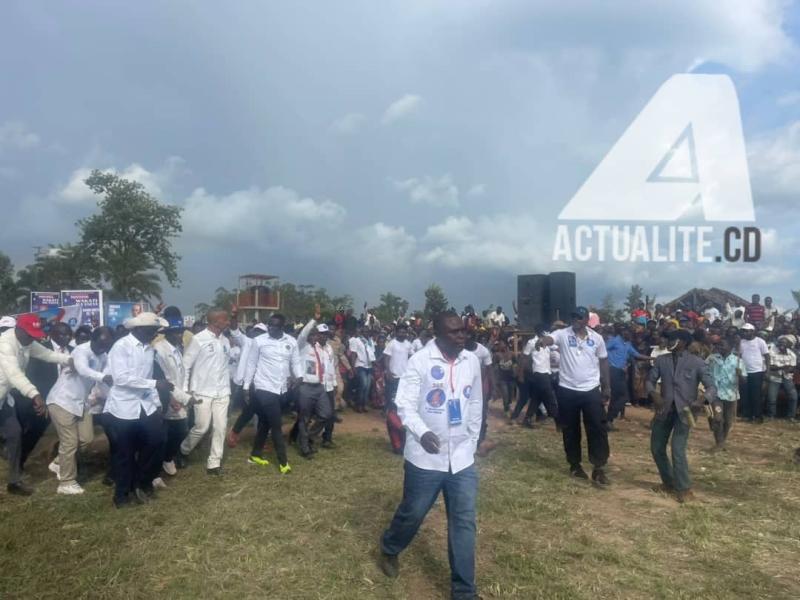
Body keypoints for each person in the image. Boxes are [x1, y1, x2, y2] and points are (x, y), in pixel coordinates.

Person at [379, 311, 483, 600]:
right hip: (425, 459)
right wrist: (422, 432)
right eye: (454, 332)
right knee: (413, 512)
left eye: (463, 330)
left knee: (463, 521)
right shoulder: (420, 361)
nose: (462, 336)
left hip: (462, 458)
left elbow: (475, 401)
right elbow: (405, 406)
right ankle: (390, 547)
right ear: (437, 334)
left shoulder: (471, 360)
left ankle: (464, 591)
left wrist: (472, 440)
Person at [104, 312, 172, 508]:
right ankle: (121, 495)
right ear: (140, 329)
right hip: (124, 408)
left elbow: (147, 380)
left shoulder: (148, 349)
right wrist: (154, 384)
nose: (155, 335)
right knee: (124, 452)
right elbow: (121, 379)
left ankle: (141, 481)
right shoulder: (121, 347)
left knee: (157, 441)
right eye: (152, 331)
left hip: (145, 405)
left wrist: (157, 402)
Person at [0, 314, 73, 495]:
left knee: (15, 434)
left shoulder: (27, 342)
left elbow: (47, 354)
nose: (32, 338)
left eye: (34, 334)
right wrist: (35, 394)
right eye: (29, 334)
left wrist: (69, 360)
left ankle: (14, 482)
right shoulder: (5, 344)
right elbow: (14, 374)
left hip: (3, 398)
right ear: (19, 329)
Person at [538, 306, 611, 485]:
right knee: (570, 429)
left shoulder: (597, 338)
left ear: (586, 320)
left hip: (591, 389)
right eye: (574, 317)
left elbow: (603, 361)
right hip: (567, 389)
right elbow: (551, 338)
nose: (576, 320)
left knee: (597, 428)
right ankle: (575, 466)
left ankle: (598, 467)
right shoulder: (563, 334)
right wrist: (544, 341)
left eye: (579, 318)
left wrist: (607, 386)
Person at [647, 330, 717, 503]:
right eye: (668, 337)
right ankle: (669, 482)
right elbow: (650, 380)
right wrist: (654, 395)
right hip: (664, 410)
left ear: (684, 342)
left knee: (678, 449)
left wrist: (702, 400)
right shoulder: (661, 360)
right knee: (656, 448)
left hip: (685, 412)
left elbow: (712, 387)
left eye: (673, 339)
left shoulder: (697, 362)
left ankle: (684, 489)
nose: (668, 340)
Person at [46, 326, 114, 495]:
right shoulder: (80, 351)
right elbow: (84, 371)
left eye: (106, 346)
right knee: (70, 441)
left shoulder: (104, 356)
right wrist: (103, 376)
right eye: (100, 344)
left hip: (81, 403)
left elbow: (105, 381)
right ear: (93, 339)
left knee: (86, 439)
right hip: (62, 401)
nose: (102, 348)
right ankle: (66, 482)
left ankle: (58, 462)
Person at [243, 313, 299, 474]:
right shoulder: (259, 341)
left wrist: (299, 376)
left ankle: (255, 455)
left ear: (282, 327)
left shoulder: (291, 341)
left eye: (275, 325)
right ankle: (283, 462)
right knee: (276, 425)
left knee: (266, 422)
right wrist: (246, 387)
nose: (271, 328)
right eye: (269, 324)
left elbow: (295, 362)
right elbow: (251, 364)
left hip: (282, 389)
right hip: (264, 388)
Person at [179, 309, 232, 475]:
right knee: (202, 427)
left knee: (220, 427)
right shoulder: (198, 339)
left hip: (222, 391)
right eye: (225, 319)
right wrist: (185, 391)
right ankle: (183, 450)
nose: (228, 322)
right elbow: (186, 366)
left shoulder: (225, 340)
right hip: (202, 391)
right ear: (215, 322)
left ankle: (214, 463)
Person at [153, 314, 193, 477]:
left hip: (179, 394)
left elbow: (181, 373)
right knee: (176, 430)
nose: (179, 335)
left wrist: (184, 393)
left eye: (181, 331)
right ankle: (163, 460)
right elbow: (162, 377)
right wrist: (171, 398)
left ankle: (167, 457)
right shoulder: (159, 349)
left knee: (179, 430)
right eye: (175, 332)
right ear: (167, 332)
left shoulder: (178, 348)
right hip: (166, 396)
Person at [294, 308, 334, 458]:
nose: (313, 337)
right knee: (304, 418)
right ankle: (304, 448)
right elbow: (303, 334)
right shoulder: (302, 346)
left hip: (319, 387)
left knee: (326, 414)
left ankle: (307, 437)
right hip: (305, 387)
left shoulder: (319, 348)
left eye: (315, 335)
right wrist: (314, 320)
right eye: (312, 334)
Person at [605, 326, 652, 430]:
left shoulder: (628, 344)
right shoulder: (614, 341)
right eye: (628, 332)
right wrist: (608, 363)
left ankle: (608, 421)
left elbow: (637, 355)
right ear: (623, 332)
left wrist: (652, 358)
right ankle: (608, 419)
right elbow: (602, 350)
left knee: (616, 397)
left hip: (621, 372)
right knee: (623, 397)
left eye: (631, 332)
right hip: (613, 370)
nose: (630, 334)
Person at [706, 339, 745, 450]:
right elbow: (704, 372)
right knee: (718, 418)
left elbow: (744, 382)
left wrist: (740, 375)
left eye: (722, 345)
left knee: (728, 421)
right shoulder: (712, 358)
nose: (720, 347)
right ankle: (719, 442)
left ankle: (722, 440)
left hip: (731, 394)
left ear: (730, 346)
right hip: (715, 393)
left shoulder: (738, 361)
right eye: (718, 345)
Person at [383, 323, 413, 453]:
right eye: (400, 332)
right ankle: (395, 440)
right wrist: (388, 371)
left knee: (404, 407)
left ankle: (403, 438)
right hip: (394, 377)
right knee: (393, 407)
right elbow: (386, 358)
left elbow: (412, 357)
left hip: (405, 379)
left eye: (404, 332)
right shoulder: (392, 343)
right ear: (396, 332)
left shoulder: (408, 344)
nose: (402, 334)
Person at [739, 323, 769, 423]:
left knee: (756, 395)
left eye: (747, 331)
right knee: (745, 394)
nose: (745, 332)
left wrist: (767, 371)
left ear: (752, 331)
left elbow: (767, 357)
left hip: (757, 372)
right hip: (744, 372)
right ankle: (748, 415)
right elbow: (739, 357)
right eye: (743, 331)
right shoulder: (741, 342)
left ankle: (758, 416)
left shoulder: (760, 341)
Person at [767, 336, 797, 420]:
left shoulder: (792, 354)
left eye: (784, 343)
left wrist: (781, 367)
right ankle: (771, 415)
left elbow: (792, 368)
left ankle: (791, 416)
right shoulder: (772, 352)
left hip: (787, 378)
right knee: (771, 398)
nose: (782, 344)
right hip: (774, 377)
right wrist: (785, 367)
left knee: (793, 396)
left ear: (789, 345)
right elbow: (771, 366)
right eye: (780, 342)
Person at [348, 327, 374, 413]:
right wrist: (353, 367)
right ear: (361, 332)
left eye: (368, 331)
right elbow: (353, 354)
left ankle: (364, 404)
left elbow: (372, 355)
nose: (366, 333)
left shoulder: (370, 341)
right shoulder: (357, 341)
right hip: (360, 365)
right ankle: (358, 404)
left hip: (369, 366)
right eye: (364, 331)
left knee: (367, 387)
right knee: (363, 385)